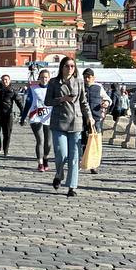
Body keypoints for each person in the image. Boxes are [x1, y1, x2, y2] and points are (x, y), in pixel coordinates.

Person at [45, 58, 91, 197]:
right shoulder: (54, 82)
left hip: (76, 122)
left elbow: (84, 102)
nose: (70, 68)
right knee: (61, 154)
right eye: (67, 66)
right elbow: (47, 101)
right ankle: (59, 175)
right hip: (59, 122)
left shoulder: (79, 81)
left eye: (72, 66)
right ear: (62, 67)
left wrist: (89, 117)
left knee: (74, 157)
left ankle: (72, 186)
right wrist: (61, 99)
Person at [23, 70, 52, 171]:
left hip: (49, 118)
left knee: (48, 143)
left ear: (49, 78)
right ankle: (40, 163)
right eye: (42, 77)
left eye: (46, 77)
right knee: (40, 140)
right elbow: (28, 103)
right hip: (36, 117)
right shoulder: (33, 89)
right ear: (39, 78)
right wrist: (23, 117)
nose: (44, 79)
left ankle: (45, 158)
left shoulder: (52, 89)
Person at [82, 68, 107, 174]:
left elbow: (107, 98)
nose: (87, 79)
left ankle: (93, 164)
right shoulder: (80, 87)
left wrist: (106, 103)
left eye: (89, 77)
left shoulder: (98, 87)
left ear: (93, 78)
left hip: (95, 117)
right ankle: (84, 161)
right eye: (85, 77)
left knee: (95, 141)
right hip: (82, 118)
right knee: (83, 141)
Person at [0, 74, 22, 156]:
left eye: (6, 80)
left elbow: (19, 101)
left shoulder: (12, 91)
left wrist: (23, 112)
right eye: (3, 80)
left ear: (9, 81)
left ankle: (5, 150)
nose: (5, 81)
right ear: (1, 81)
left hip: (8, 114)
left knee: (7, 133)